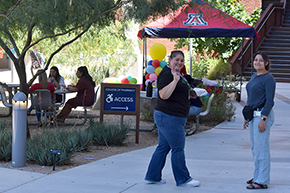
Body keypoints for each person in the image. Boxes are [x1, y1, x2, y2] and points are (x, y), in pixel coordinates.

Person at [144, 50, 200, 187]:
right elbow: (163, 94)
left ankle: (153, 176)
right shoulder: (167, 74)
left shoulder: (176, 74)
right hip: (170, 117)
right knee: (178, 148)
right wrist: (175, 81)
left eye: (182, 60)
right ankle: (183, 179)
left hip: (170, 116)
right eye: (177, 60)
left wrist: (188, 93)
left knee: (163, 147)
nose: (179, 63)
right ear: (170, 60)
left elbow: (176, 91)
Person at [243, 51, 276, 189]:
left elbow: (270, 101)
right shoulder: (254, 77)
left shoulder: (269, 79)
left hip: (262, 115)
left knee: (262, 148)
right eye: (255, 60)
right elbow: (251, 98)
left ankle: (262, 180)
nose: (257, 62)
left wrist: (264, 118)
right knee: (255, 148)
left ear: (266, 63)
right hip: (253, 116)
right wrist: (247, 117)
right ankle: (257, 176)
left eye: (261, 60)